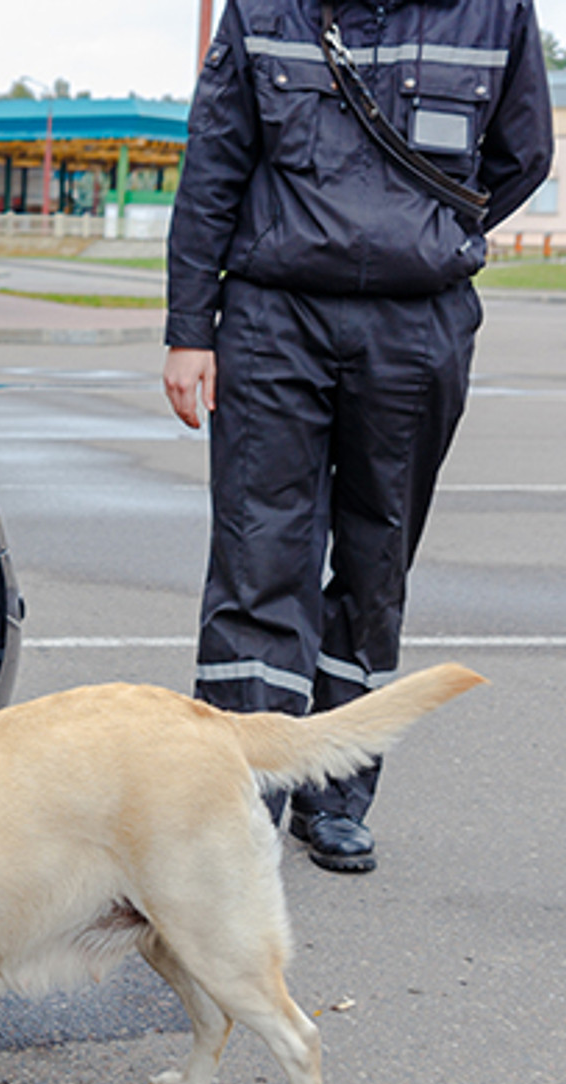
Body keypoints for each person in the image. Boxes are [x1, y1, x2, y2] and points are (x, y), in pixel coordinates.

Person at [163, 0, 554, 871]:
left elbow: (523, 154)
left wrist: (432, 234)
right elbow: (215, 163)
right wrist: (189, 329)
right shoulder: (266, 9)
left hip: (417, 328)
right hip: (272, 319)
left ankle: (337, 793)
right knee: (258, 559)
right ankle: (237, 804)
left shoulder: (493, 12)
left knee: (375, 562)